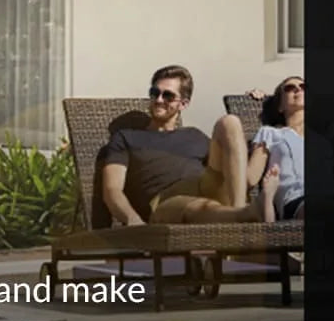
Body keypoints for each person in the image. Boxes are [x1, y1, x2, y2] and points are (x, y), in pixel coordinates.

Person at [97, 65, 279, 226]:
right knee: (197, 205)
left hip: (206, 188)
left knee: (229, 122)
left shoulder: (195, 136)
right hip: (165, 201)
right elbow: (112, 190)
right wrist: (132, 219)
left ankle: (240, 212)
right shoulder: (127, 137)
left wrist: (263, 103)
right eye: (154, 93)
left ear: (183, 104)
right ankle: (245, 216)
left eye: (168, 95)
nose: (159, 99)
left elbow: (241, 177)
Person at [246, 76, 309, 221]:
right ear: (280, 106)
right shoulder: (270, 133)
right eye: (289, 88)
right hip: (297, 200)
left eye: (303, 87)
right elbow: (250, 179)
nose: (298, 89)